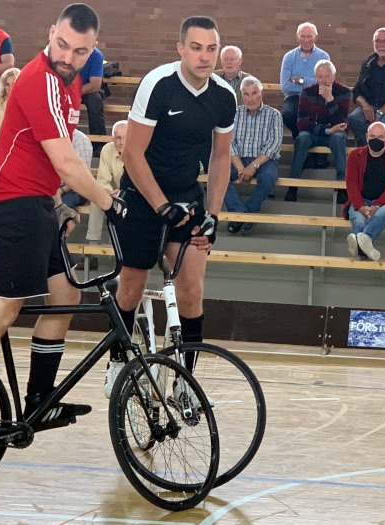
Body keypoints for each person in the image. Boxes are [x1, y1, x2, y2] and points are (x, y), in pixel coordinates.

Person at [0, 4, 126, 455]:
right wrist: (110, 202)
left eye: (80, 50)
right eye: (62, 44)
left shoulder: (71, 80)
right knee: (2, 309)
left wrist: (58, 203)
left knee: (65, 296)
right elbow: (66, 160)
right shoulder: (40, 79)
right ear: (50, 34)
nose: (68, 55)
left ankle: (40, 398)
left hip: (38, 203)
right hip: (10, 204)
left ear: (92, 50)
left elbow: (51, 157)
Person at [105, 15, 236, 397]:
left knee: (192, 289)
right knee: (131, 286)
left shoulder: (223, 96)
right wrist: (161, 206)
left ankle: (184, 380)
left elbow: (220, 158)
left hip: (186, 197)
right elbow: (132, 152)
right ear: (181, 49)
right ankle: (116, 363)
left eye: (211, 48)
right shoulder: (158, 84)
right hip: (145, 197)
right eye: (196, 47)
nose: (204, 56)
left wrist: (212, 215)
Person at [344, 122, 385, 261]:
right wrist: (360, 206)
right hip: (360, 201)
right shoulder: (355, 155)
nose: (376, 139)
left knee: (383, 213)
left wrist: (377, 205)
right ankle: (364, 246)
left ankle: (361, 240)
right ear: (367, 137)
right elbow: (351, 183)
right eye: (373, 136)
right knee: (358, 220)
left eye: (380, 137)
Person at [287, 59, 351, 203]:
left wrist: (330, 100)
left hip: (335, 133)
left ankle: (342, 186)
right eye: (320, 77)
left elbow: (342, 124)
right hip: (314, 132)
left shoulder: (344, 92)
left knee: (339, 138)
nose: (324, 80)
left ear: (333, 76)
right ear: (315, 77)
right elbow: (302, 123)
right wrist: (327, 130)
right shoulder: (307, 92)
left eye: (327, 76)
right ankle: (292, 186)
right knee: (301, 138)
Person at [226, 77, 281, 236]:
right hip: (238, 159)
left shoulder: (274, 115)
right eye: (246, 94)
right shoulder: (234, 114)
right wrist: (241, 167)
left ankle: (247, 212)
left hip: (264, 161)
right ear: (242, 95)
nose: (250, 98)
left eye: (254, 93)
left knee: (268, 178)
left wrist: (253, 166)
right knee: (217, 177)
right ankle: (242, 213)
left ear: (261, 93)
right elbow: (229, 142)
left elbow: (274, 145)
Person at [86, 120, 128, 269]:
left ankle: (118, 252)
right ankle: (92, 251)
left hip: (134, 194)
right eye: (118, 138)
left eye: (125, 137)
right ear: (112, 138)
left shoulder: (138, 149)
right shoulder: (107, 150)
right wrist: (110, 193)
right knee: (96, 200)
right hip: (113, 192)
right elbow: (102, 181)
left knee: (119, 204)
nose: (122, 142)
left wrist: (122, 192)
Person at [280, 23, 330, 139]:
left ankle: (313, 148)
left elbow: (324, 82)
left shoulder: (324, 57)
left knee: (320, 116)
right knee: (287, 115)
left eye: (309, 36)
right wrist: (312, 82)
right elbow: (286, 86)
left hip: (317, 96)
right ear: (297, 38)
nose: (306, 40)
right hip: (294, 97)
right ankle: (301, 139)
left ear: (315, 38)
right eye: (303, 36)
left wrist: (300, 79)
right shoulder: (289, 57)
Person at [79, 46, 106, 146]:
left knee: (95, 99)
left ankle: (98, 144)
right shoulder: (67, 52)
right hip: (66, 89)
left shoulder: (96, 55)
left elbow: (95, 85)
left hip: (85, 91)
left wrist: (73, 93)